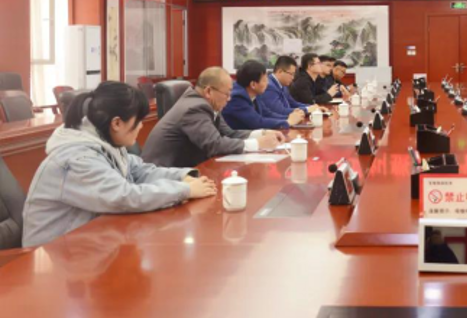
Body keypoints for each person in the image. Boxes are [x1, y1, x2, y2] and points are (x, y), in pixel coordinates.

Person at [22, 82, 218, 248]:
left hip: (87, 244)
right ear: (116, 123)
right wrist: (184, 190)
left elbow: (140, 171)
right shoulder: (77, 159)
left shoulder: (106, 142)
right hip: (52, 255)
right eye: (138, 121)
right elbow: (124, 196)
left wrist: (184, 176)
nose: (141, 126)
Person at [143, 67, 284, 168]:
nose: (229, 99)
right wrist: (258, 144)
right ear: (209, 91)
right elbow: (214, 145)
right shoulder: (195, 108)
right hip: (163, 175)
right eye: (226, 94)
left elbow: (229, 133)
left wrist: (263, 133)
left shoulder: (208, 104)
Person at [222, 60, 305, 131]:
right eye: (265, 80)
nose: (268, 83)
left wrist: (290, 117)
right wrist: (288, 122)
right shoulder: (237, 97)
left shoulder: (254, 92)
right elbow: (257, 122)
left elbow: (267, 113)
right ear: (253, 84)